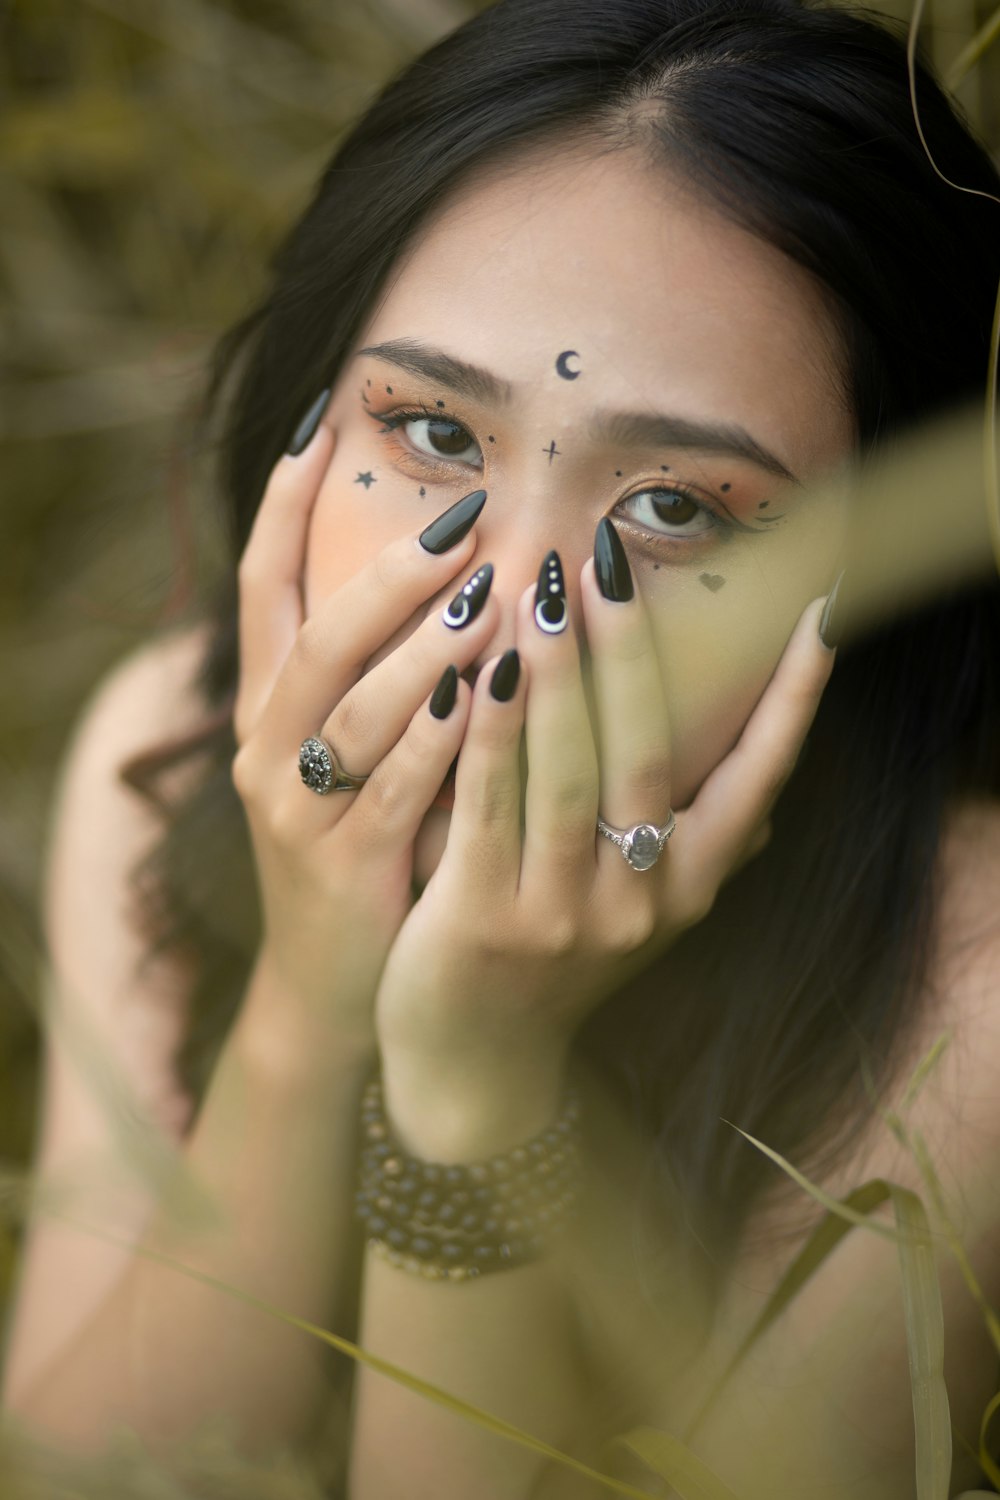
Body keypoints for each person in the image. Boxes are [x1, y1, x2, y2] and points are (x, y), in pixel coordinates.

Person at [2, 0, 999, 1495]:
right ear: (302, 420)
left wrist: (477, 1080)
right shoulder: (166, 752)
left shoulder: (970, 980)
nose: (506, 629)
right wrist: (309, 992)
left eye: (678, 510)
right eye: (436, 439)